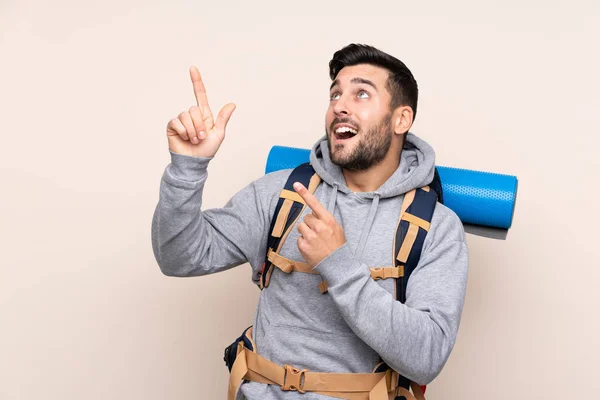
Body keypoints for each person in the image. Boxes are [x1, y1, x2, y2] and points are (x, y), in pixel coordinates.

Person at [151, 43, 468, 400]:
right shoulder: (281, 193)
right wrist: (187, 168)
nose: (340, 106)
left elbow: (426, 359)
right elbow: (177, 256)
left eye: (361, 93)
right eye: (335, 94)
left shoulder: (438, 227)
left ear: (401, 119)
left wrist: (338, 264)